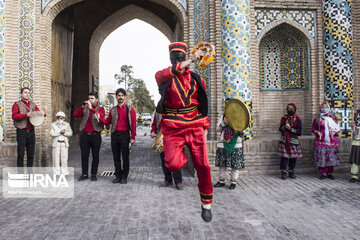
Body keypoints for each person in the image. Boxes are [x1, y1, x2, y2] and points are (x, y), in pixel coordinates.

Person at [155, 42, 213, 222]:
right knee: (172, 164)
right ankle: (182, 155)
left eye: (181, 57)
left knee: (203, 165)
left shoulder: (197, 79)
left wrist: (204, 128)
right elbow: (168, 72)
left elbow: (203, 104)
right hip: (172, 125)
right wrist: (190, 60)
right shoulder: (163, 77)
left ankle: (206, 204)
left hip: (195, 124)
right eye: (175, 58)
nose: (178, 60)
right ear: (171, 59)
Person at [98, 88, 136, 184]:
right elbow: (107, 122)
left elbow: (134, 125)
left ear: (125, 97)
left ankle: (124, 177)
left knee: (125, 157)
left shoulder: (130, 109)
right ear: (116, 97)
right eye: (119, 95)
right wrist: (99, 118)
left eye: (122, 95)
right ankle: (118, 176)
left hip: (125, 135)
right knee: (116, 157)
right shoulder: (113, 109)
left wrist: (133, 137)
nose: (120, 97)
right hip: (114, 135)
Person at [73, 92, 104, 181]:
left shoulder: (101, 109)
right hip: (85, 136)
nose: (89, 100)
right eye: (89, 98)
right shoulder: (85, 108)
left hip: (95, 135)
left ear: (96, 100)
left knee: (95, 156)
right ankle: (85, 174)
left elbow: (99, 117)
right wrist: (82, 107)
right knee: (84, 156)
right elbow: (75, 115)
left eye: (92, 98)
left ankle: (93, 174)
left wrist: (91, 108)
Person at [12, 87, 46, 167]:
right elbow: (14, 116)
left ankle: (29, 175)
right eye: (25, 92)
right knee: (21, 154)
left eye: (28, 93)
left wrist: (42, 113)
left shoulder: (33, 104)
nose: (27, 94)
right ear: (21, 94)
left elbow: (41, 114)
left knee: (31, 154)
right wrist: (26, 115)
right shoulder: (16, 104)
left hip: (31, 132)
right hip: (21, 132)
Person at [213, 107, 244, 189]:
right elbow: (217, 129)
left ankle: (233, 182)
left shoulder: (239, 118)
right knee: (222, 164)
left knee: (235, 165)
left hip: (236, 145)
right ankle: (221, 181)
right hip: (223, 144)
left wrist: (241, 131)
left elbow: (243, 132)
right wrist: (223, 122)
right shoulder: (223, 117)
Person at [151, 112, 183, 190]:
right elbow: (154, 123)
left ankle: (178, 181)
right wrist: (153, 131)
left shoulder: (175, 109)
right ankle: (168, 179)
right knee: (164, 160)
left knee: (175, 160)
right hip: (161, 138)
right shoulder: (158, 112)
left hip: (173, 137)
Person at [312, 102, 341, 179]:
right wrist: (317, 132)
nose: (324, 108)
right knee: (322, 156)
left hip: (331, 141)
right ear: (320, 108)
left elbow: (338, 128)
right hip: (321, 140)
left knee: (331, 156)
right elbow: (313, 128)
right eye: (323, 107)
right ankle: (323, 173)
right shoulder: (317, 118)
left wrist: (335, 132)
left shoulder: (333, 118)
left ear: (328, 108)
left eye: (326, 107)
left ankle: (330, 173)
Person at [278, 103, 303, 180]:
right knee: (284, 157)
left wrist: (290, 129)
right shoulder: (284, 118)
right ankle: (283, 173)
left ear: (294, 109)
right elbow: (280, 128)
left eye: (291, 108)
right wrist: (284, 127)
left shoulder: (298, 119)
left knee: (293, 158)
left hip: (293, 141)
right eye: (288, 108)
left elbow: (299, 131)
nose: (289, 109)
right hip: (285, 140)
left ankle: (291, 172)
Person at [349, 107, 360, 182]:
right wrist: (352, 126)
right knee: (355, 159)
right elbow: (354, 128)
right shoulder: (357, 114)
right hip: (356, 141)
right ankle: (354, 176)